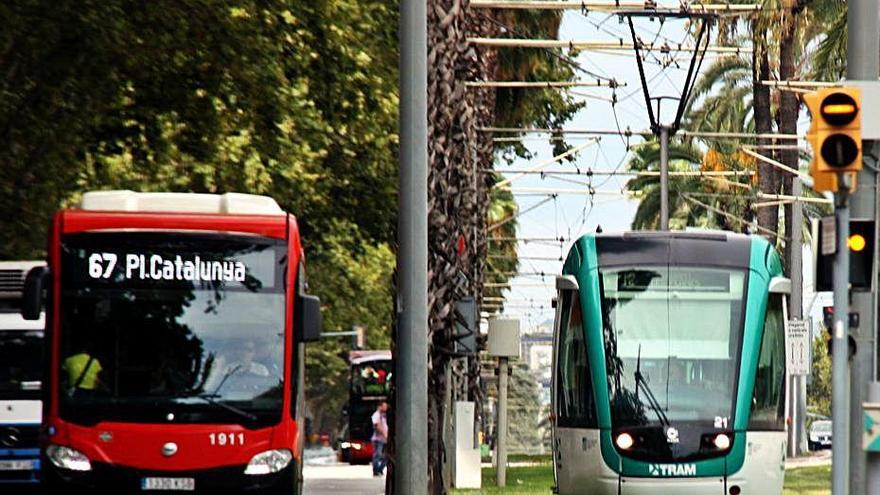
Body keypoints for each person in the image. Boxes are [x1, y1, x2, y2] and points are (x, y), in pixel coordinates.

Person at [371, 401, 389, 477]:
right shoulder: (376, 415)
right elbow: (377, 426)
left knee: (386, 456)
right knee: (377, 454)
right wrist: (384, 434)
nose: (386, 408)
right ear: (380, 406)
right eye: (384, 406)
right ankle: (376, 470)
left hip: (384, 438)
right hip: (378, 439)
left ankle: (380, 469)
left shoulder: (384, 416)